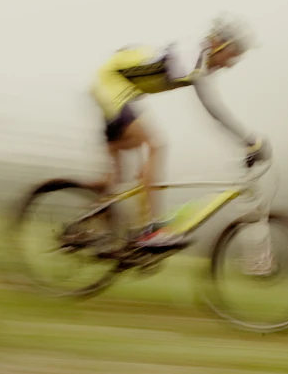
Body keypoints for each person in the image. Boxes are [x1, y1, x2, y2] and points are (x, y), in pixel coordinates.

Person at [90, 14, 270, 247]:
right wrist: (249, 140)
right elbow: (212, 108)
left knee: (118, 174)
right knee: (155, 145)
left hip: (117, 86)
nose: (230, 64)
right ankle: (149, 231)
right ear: (219, 44)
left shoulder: (197, 57)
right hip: (112, 83)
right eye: (232, 55)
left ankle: (90, 228)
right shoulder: (192, 55)